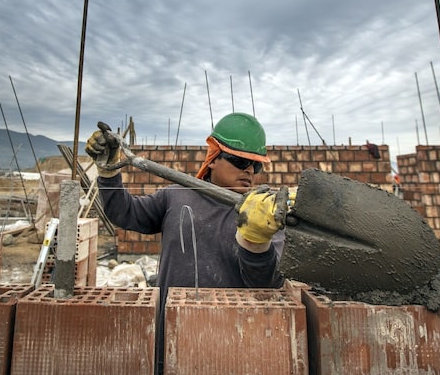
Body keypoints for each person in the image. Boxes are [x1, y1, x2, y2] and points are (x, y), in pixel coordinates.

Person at [85, 112, 288, 373]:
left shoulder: (266, 215)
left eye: (256, 165)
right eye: (239, 161)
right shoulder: (176, 196)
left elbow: (267, 284)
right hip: (170, 338)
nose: (249, 170)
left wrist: (256, 241)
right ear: (213, 158)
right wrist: (108, 172)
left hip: (233, 346)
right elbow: (126, 214)